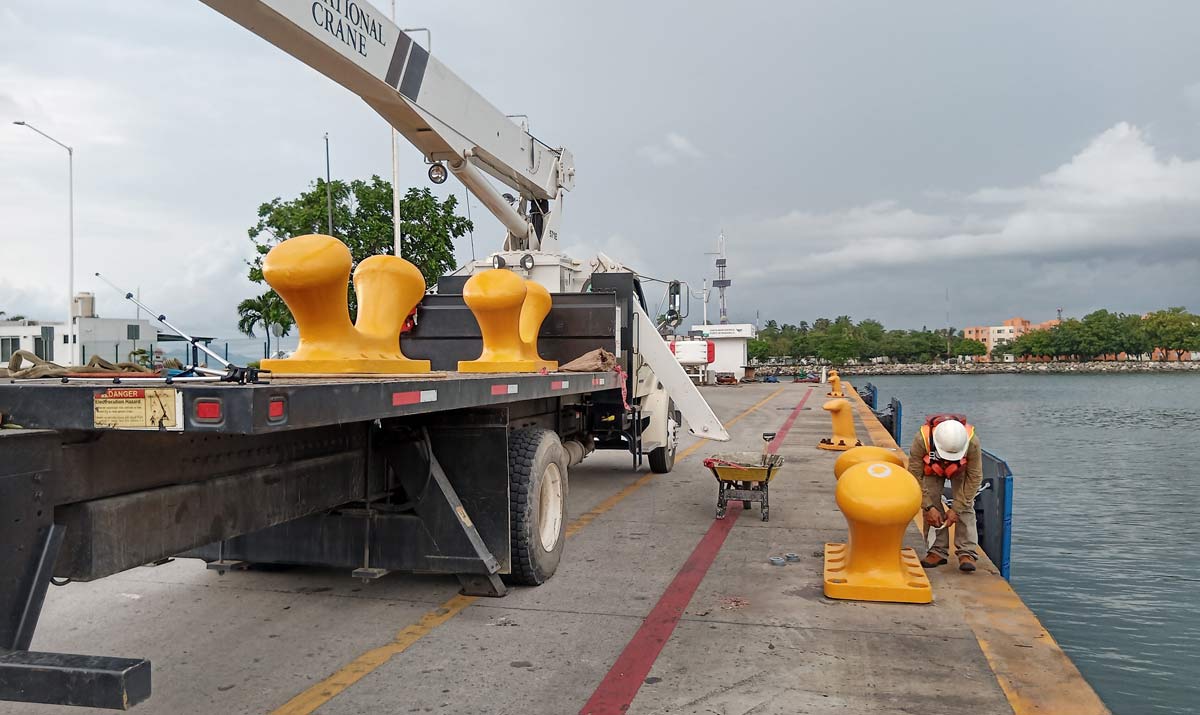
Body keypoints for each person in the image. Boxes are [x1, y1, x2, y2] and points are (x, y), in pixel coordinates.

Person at [907, 414, 982, 572]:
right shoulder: (922, 440)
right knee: (931, 502)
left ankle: (966, 552)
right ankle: (937, 550)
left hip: (961, 469)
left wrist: (957, 508)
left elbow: (974, 477)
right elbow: (914, 475)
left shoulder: (972, 442)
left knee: (966, 506)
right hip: (931, 468)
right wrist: (928, 507)